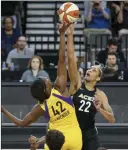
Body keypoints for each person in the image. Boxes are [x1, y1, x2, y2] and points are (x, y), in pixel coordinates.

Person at [1, 23, 82, 150]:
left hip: (54, 142)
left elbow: (22, 123)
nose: (46, 78)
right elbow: (62, 59)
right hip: (74, 138)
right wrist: (62, 34)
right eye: (45, 80)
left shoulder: (40, 107)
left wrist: (3, 110)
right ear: (46, 89)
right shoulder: (60, 89)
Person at [66, 24, 115, 150]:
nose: (89, 70)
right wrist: (70, 34)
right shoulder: (77, 84)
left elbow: (112, 119)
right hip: (73, 130)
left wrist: (100, 110)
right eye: (90, 68)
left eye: (94, 70)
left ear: (98, 78)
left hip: (90, 134)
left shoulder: (100, 95)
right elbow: (71, 59)